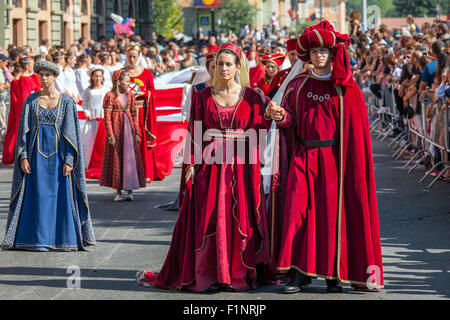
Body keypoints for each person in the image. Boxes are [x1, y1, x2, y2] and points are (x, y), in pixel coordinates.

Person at [136, 43, 272, 292]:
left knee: (238, 219)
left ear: (238, 66)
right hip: (210, 167)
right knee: (211, 219)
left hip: (242, 168)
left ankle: (237, 275)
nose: (223, 68)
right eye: (219, 64)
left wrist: (272, 118)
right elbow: (194, 134)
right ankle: (211, 275)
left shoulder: (252, 97)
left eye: (228, 64)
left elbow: (260, 131)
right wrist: (190, 165)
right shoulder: (202, 97)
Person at [267, 20, 384, 293]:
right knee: (296, 212)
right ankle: (295, 273)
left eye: (324, 51)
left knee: (331, 216)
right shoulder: (297, 85)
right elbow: (290, 118)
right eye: (315, 51)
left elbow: (354, 134)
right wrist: (281, 116)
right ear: (308, 54)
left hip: (334, 161)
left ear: (332, 55)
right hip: (302, 155)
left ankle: (334, 274)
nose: (320, 55)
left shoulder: (345, 88)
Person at [1, 60, 96, 251]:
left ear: (55, 76)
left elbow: (71, 134)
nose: (44, 78)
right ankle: (34, 239)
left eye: (47, 74)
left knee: (58, 196)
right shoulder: (31, 101)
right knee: (37, 196)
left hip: (59, 158)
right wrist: (23, 157)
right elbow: (23, 132)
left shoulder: (67, 101)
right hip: (35, 158)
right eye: (41, 74)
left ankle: (62, 239)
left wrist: (70, 159)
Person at [100, 69, 146, 201]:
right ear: (118, 82)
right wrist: (110, 134)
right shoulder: (110, 96)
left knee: (129, 158)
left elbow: (133, 114)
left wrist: (136, 131)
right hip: (116, 128)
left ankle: (130, 189)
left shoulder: (131, 95)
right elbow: (107, 117)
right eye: (126, 81)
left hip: (128, 130)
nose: (129, 83)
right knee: (117, 158)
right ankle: (118, 191)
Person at [124, 43, 159, 182]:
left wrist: (143, 93)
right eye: (130, 57)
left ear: (139, 57)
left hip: (142, 112)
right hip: (126, 111)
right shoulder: (121, 72)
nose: (132, 59)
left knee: (142, 140)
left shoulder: (146, 73)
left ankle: (145, 172)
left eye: (134, 57)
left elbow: (152, 91)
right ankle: (128, 172)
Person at [2, 56, 42, 164]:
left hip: (16, 110)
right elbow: (25, 98)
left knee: (15, 133)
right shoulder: (29, 80)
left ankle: (12, 154)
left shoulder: (17, 80)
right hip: (26, 109)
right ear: (28, 66)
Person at [81, 65, 110, 168]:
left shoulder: (107, 89)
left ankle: (102, 164)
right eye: (96, 76)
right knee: (90, 140)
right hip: (92, 118)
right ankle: (89, 164)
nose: (98, 78)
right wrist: (87, 113)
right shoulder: (88, 90)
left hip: (102, 118)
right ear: (92, 77)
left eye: (100, 76)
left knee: (102, 141)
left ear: (103, 77)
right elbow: (84, 104)